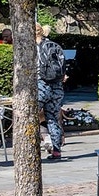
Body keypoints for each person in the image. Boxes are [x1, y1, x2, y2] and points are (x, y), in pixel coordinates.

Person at [35, 24, 67, 161]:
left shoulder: (31, 47)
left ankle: (31, 148)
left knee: (29, 116)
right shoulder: (54, 45)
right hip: (57, 86)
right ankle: (57, 151)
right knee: (53, 118)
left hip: (41, 85)